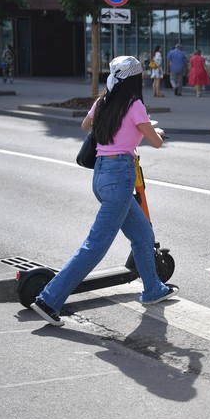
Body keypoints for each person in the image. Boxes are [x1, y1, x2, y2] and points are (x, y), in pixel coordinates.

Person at [29, 56, 178, 327]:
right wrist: (155, 131)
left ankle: (153, 289)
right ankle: (48, 299)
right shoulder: (135, 105)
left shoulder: (103, 102)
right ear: (136, 80)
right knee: (95, 246)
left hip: (100, 175)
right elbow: (155, 142)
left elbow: (85, 127)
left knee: (143, 234)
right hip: (120, 176)